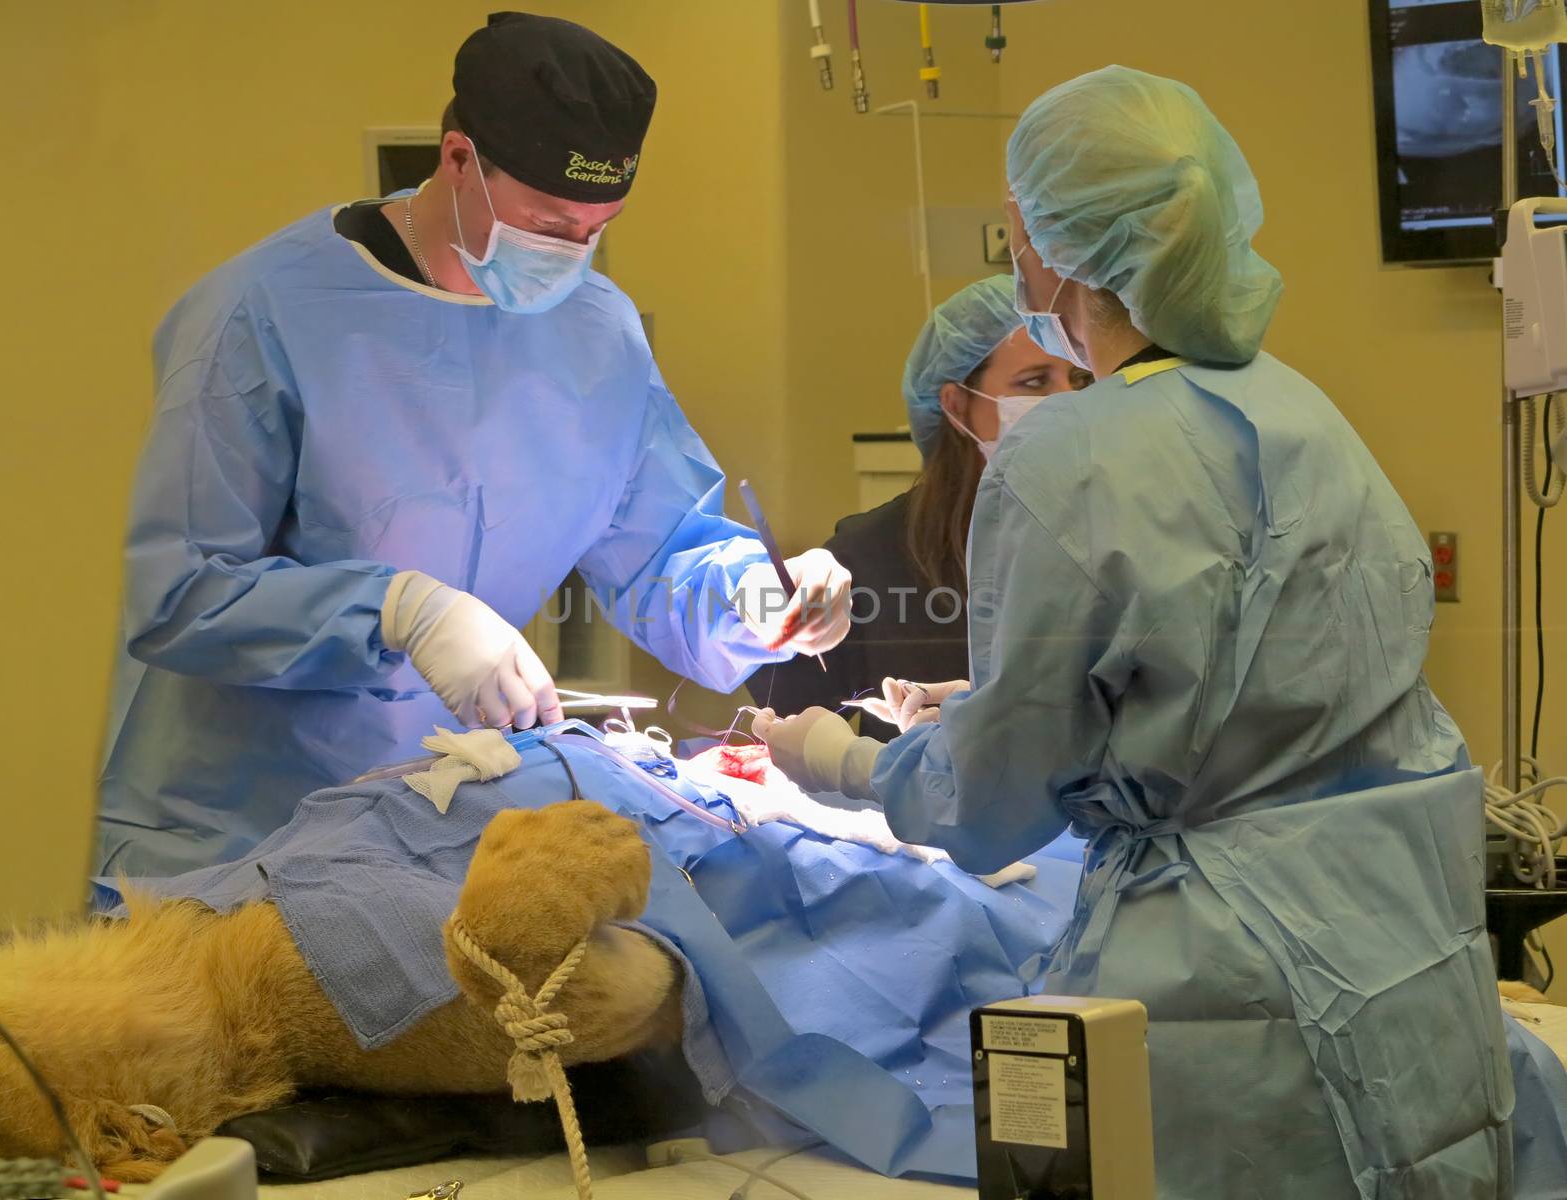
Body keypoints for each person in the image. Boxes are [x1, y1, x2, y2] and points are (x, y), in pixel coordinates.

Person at [753, 66, 1515, 1198]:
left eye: (1016, 224)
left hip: (1231, 1008)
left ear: (1055, 245)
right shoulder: (1299, 408)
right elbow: (1257, 676)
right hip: (1403, 960)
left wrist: (844, 760)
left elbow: (994, 800)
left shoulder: (1066, 453)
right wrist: (1036, 717)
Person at [98, 12, 851, 879]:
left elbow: (658, 554)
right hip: (239, 835)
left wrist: (759, 599)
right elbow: (182, 591)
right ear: (458, 159)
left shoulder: (596, 335)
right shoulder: (262, 313)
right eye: (548, 221)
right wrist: (401, 611)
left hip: (448, 827)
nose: (574, 252)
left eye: (596, 228)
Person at [745, 277, 1090, 739]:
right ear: (956, 403)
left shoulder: (1115, 533)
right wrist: (756, 604)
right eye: (1034, 382)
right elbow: (786, 713)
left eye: (1081, 379)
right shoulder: (873, 556)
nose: (1067, 400)